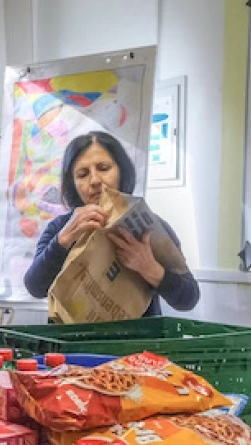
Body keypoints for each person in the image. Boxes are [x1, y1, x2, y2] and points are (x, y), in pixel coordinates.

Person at [23, 131, 199, 316]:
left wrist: (151, 269)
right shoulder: (61, 227)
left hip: (138, 342)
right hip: (73, 342)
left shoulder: (149, 226)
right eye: (82, 174)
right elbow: (35, 287)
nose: (94, 180)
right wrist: (64, 239)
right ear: (72, 183)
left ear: (121, 172)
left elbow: (189, 299)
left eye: (104, 168)